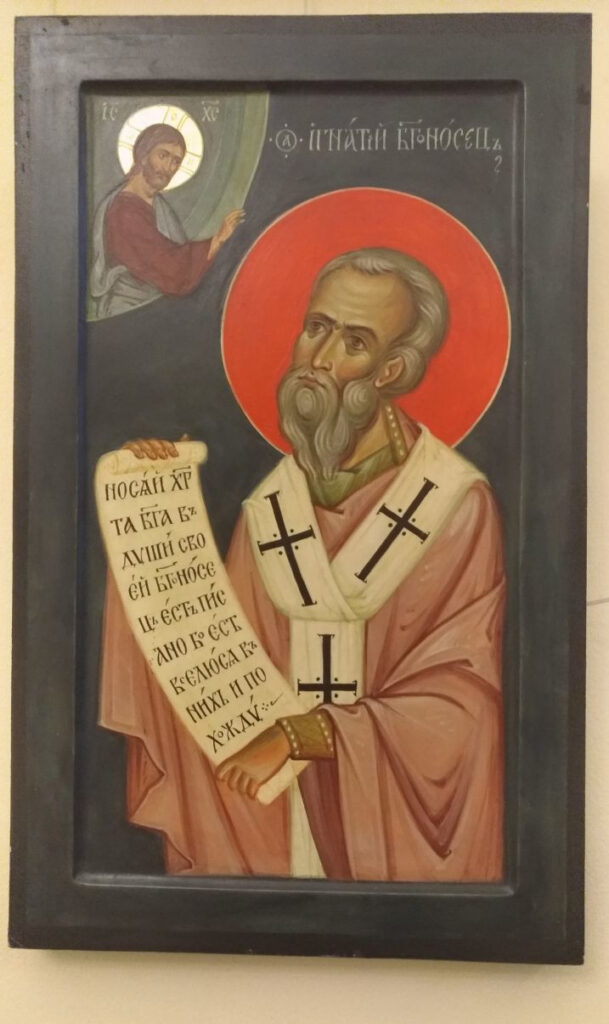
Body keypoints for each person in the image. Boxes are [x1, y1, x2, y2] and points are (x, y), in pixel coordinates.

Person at [100, 247, 505, 881]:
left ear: (392, 369)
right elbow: (212, 670)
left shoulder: (453, 505)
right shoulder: (272, 508)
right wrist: (149, 514)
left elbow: (459, 709)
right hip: (273, 826)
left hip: (388, 836)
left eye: (354, 342)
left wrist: (304, 737)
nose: (319, 358)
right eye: (316, 327)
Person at [89, 123, 244, 319]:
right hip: (130, 314)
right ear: (144, 155)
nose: (169, 168)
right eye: (163, 156)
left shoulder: (159, 206)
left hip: (155, 311)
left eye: (176, 162)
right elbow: (166, 265)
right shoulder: (123, 211)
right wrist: (216, 241)